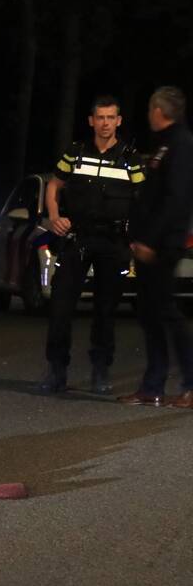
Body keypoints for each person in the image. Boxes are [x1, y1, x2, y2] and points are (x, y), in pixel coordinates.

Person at [41, 95, 145, 394]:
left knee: (105, 310)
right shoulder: (75, 153)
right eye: (100, 117)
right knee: (61, 305)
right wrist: (54, 216)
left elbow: (143, 199)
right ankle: (56, 370)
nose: (105, 123)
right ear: (91, 121)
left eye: (111, 117)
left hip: (113, 242)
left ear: (119, 121)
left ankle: (101, 371)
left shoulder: (130, 158)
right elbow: (54, 184)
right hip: (78, 239)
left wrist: (139, 236)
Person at [119, 86, 193, 408]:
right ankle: (153, 386)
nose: (148, 115)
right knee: (150, 313)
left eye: (150, 109)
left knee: (166, 313)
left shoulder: (181, 143)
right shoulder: (164, 143)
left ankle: (190, 383)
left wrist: (151, 240)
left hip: (163, 244)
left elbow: (175, 199)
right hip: (151, 242)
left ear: (158, 111)